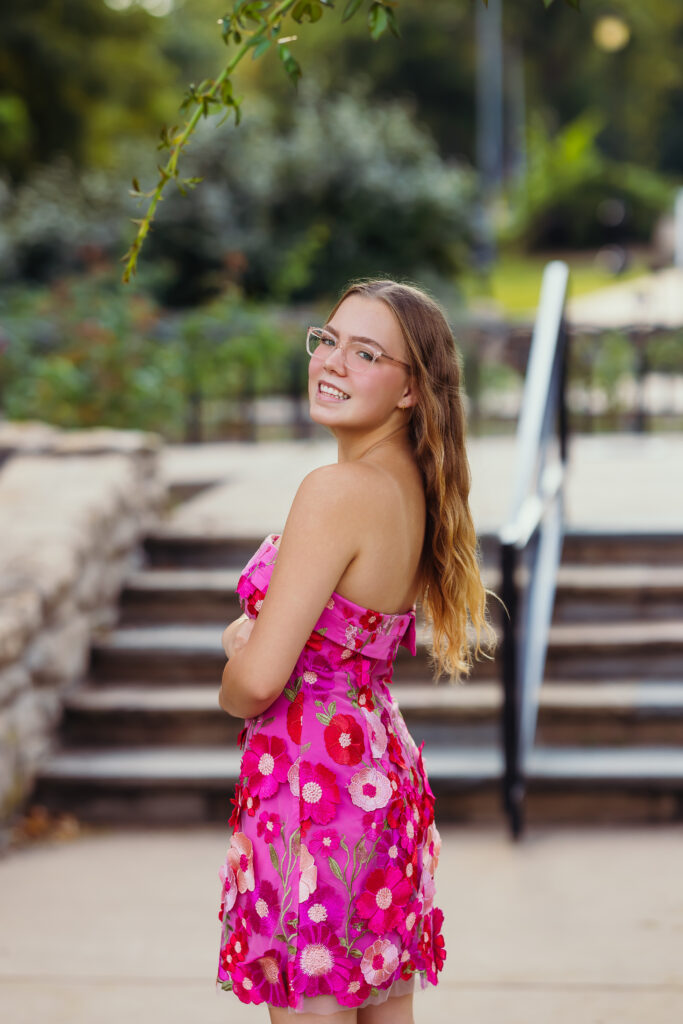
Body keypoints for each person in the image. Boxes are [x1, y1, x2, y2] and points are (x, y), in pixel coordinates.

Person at [216, 279, 496, 1022]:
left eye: (365, 353)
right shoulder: (411, 486)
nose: (332, 363)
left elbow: (254, 685)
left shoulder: (336, 490)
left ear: (410, 390)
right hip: (377, 777)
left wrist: (235, 653)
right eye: (328, 340)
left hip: (316, 787)